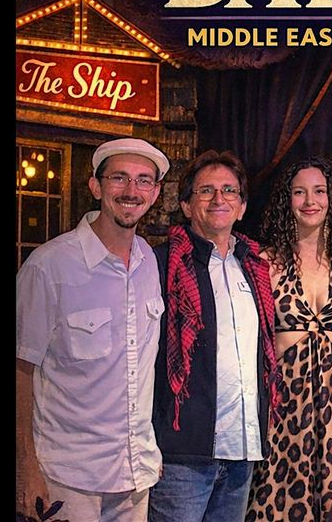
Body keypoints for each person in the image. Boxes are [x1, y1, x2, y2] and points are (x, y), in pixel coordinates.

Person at [16, 138, 171, 522]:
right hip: (67, 476)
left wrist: (146, 451)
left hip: (134, 474)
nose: (131, 190)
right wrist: (26, 467)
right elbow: (21, 370)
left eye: (143, 180)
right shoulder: (49, 265)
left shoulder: (149, 261)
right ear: (96, 187)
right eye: (119, 178)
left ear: (155, 193)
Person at [148, 150, 282, 522]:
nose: (219, 199)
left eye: (229, 190)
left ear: (242, 207)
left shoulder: (255, 267)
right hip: (183, 452)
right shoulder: (161, 265)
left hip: (242, 450)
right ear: (186, 205)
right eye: (206, 190)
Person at [246, 156, 332, 522]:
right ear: (287, 200)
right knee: (278, 501)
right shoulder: (266, 261)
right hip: (283, 404)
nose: (310, 201)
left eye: (319, 191)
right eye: (299, 192)